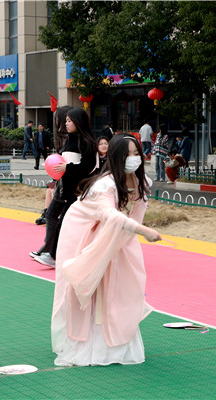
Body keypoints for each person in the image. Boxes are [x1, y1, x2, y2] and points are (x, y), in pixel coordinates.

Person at [51, 133, 161, 367]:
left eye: (136, 154)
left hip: (118, 234)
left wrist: (127, 238)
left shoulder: (141, 182)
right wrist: (144, 231)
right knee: (90, 284)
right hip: (85, 234)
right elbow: (109, 214)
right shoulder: (104, 185)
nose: (133, 159)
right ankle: (90, 345)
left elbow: (131, 214)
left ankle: (118, 341)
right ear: (115, 157)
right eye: (127, 155)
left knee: (123, 282)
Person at [34, 107, 97, 268]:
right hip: (66, 189)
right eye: (66, 120)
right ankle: (54, 254)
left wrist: (67, 168)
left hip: (79, 191)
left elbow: (87, 166)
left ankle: (54, 255)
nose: (66, 124)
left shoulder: (86, 142)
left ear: (79, 122)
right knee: (58, 219)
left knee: (65, 222)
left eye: (70, 121)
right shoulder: (70, 139)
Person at [30, 106, 72, 254]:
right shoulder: (65, 138)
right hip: (62, 185)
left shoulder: (70, 139)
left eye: (67, 120)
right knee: (54, 215)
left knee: (55, 216)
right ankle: (50, 249)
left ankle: (51, 250)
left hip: (68, 187)